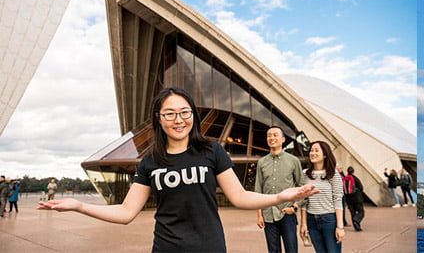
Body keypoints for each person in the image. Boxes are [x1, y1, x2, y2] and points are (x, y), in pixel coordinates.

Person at [38, 87, 318, 252]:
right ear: (158, 119)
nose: (178, 119)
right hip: (166, 248)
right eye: (169, 114)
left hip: (210, 247)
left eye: (185, 112)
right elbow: (125, 213)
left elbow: (240, 197)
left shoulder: (212, 151)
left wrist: (282, 196)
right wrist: (78, 206)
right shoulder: (150, 161)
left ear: (193, 116)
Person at [255, 126, 307, 253]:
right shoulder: (261, 162)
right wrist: (259, 215)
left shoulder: (293, 161)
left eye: (275, 135)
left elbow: (302, 187)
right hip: (268, 215)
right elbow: (258, 189)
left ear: (283, 139)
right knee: (273, 250)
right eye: (269, 135)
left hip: (287, 213)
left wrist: (294, 207)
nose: (271, 138)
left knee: (291, 249)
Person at [300, 141, 344, 253]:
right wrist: (303, 224)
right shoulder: (305, 174)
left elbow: (338, 200)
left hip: (329, 220)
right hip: (311, 221)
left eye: (316, 150)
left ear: (325, 154)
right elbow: (304, 201)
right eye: (311, 150)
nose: (312, 153)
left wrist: (340, 227)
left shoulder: (333, 174)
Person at [343, 166, 364, 231]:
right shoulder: (355, 178)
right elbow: (361, 187)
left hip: (348, 199)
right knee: (361, 211)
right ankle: (356, 220)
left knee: (353, 212)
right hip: (357, 199)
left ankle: (357, 227)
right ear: (353, 171)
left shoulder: (345, 178)